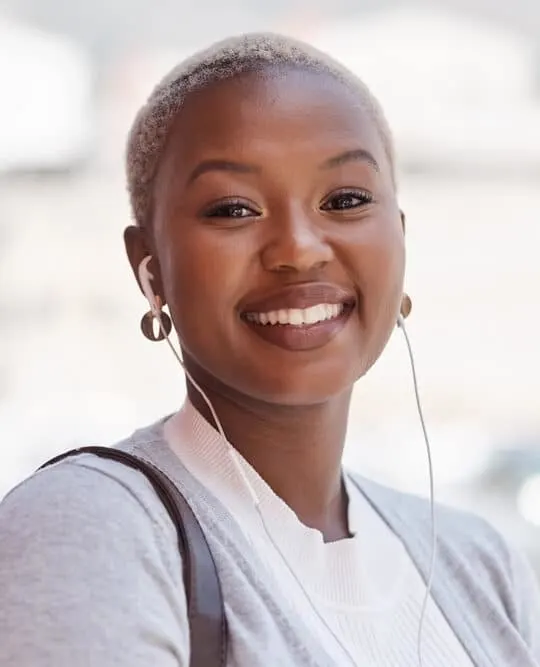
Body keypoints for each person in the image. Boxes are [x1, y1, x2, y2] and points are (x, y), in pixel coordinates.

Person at [0, 32, 539, 667]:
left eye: (345, 200)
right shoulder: (91, 529)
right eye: (233, 209)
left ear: (399, 238)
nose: (300, 248)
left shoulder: (478, 562)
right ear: (150, 270)